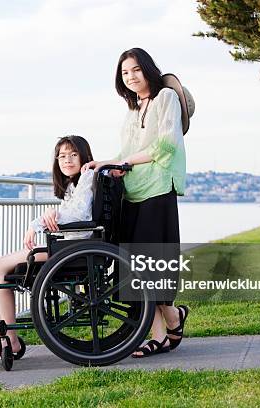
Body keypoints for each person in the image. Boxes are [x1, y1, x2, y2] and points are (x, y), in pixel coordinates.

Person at [83, 48, 192, 357]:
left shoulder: (165, 98)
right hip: (132, 190)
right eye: (124, 73)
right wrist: (104, 163)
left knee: (153, 263)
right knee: (139, 268)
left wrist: (127, 161)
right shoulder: (133, 108)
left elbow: (167, 145)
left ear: (147, 69)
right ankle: (166, 325)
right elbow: (126, 150)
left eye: (135, 70)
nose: (130, 77)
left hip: (158, 187)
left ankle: (168, 324)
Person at [0, 135, 95, 357]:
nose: (67, 160)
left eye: (73, 155)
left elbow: (80, 214)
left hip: (74, 249)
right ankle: (2, 333)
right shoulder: (76, 182)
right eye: (62, 156)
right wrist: (49, 216)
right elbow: (71, 214)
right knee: (0, 267)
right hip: (70, 246)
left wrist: (41, 220)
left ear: (84, 157)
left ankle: (8, 338)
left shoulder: (87, 177)